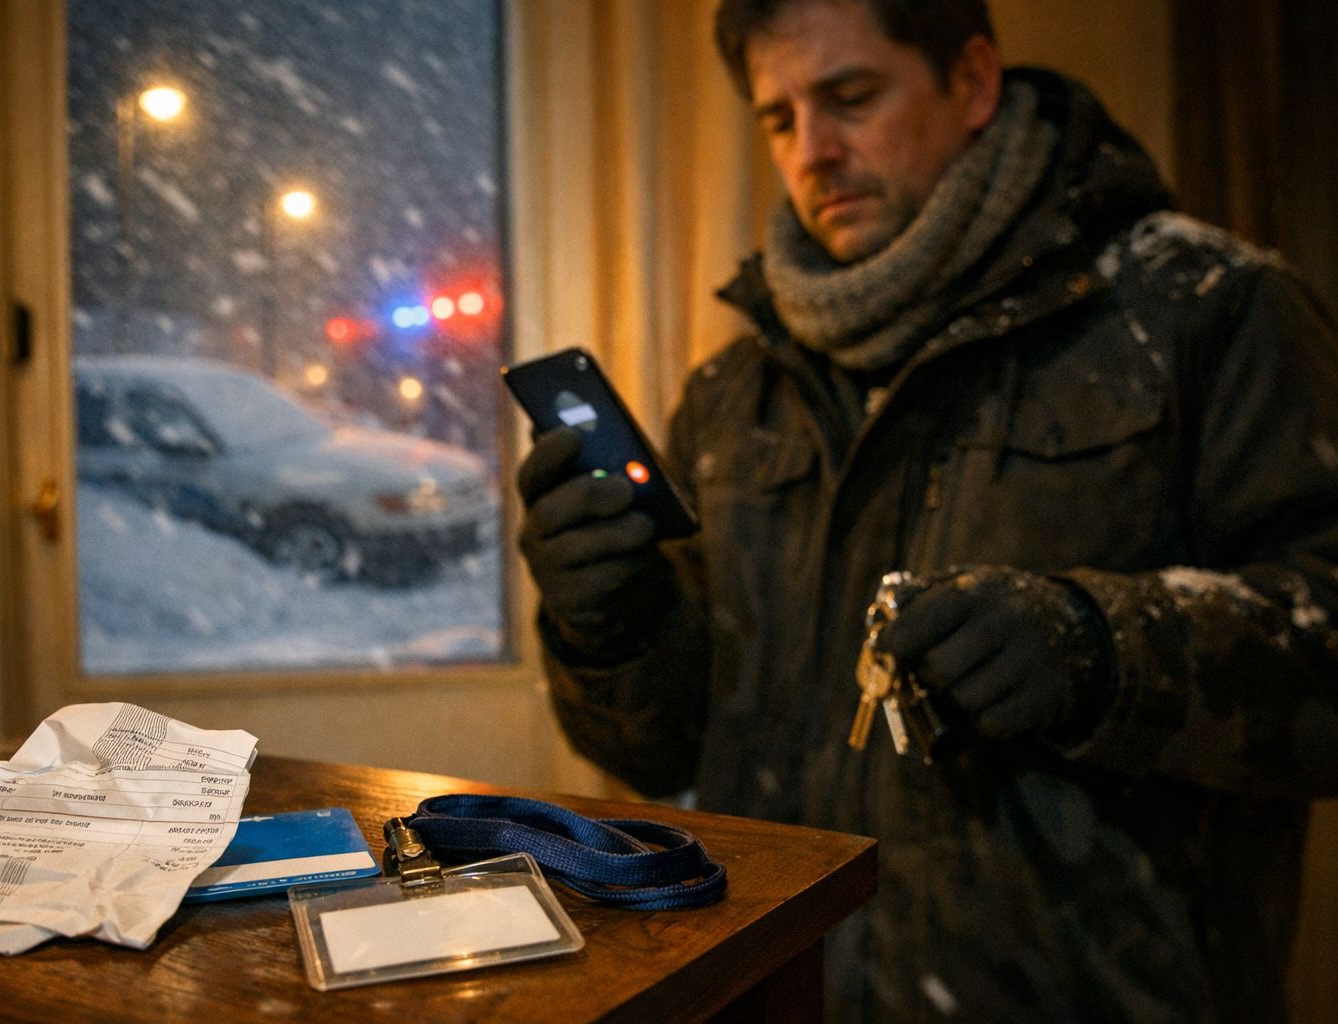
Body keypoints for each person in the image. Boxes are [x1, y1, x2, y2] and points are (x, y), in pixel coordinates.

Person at [514, 0, 1338, 1020]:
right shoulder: (736, 389)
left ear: (975, 81)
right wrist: (609, 623)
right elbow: (660, 751)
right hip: (774, 990)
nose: (813, 151)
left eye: (851, 97)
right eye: (778, 118)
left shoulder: (1210, 308)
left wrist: (1099, 647)